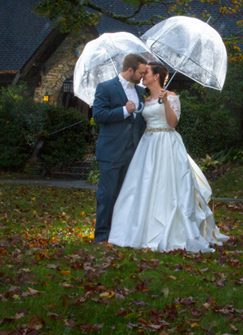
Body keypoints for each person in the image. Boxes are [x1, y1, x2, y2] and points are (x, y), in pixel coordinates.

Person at [108, 62, 228, 252]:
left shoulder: (171, 97)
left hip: (167, 143)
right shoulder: (144, 100)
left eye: (146, 73)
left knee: (167, 184)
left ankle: (171, 228)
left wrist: (164, 102)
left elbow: (172, 123)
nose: (142, 76)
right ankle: (138, 229)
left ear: (156, 76)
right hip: (147, 146)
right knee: (142, 185)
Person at [91, 54, 148, 243]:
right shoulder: (105, 87)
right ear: (130, 70)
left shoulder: (141, 92)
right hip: (111, 151)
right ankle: (101, 236)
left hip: (133, 152)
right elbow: (98, 115)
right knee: (106, 195)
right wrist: (124, 110)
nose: (143, 76)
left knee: (125, 195)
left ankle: (119, 234)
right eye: (140, 72)